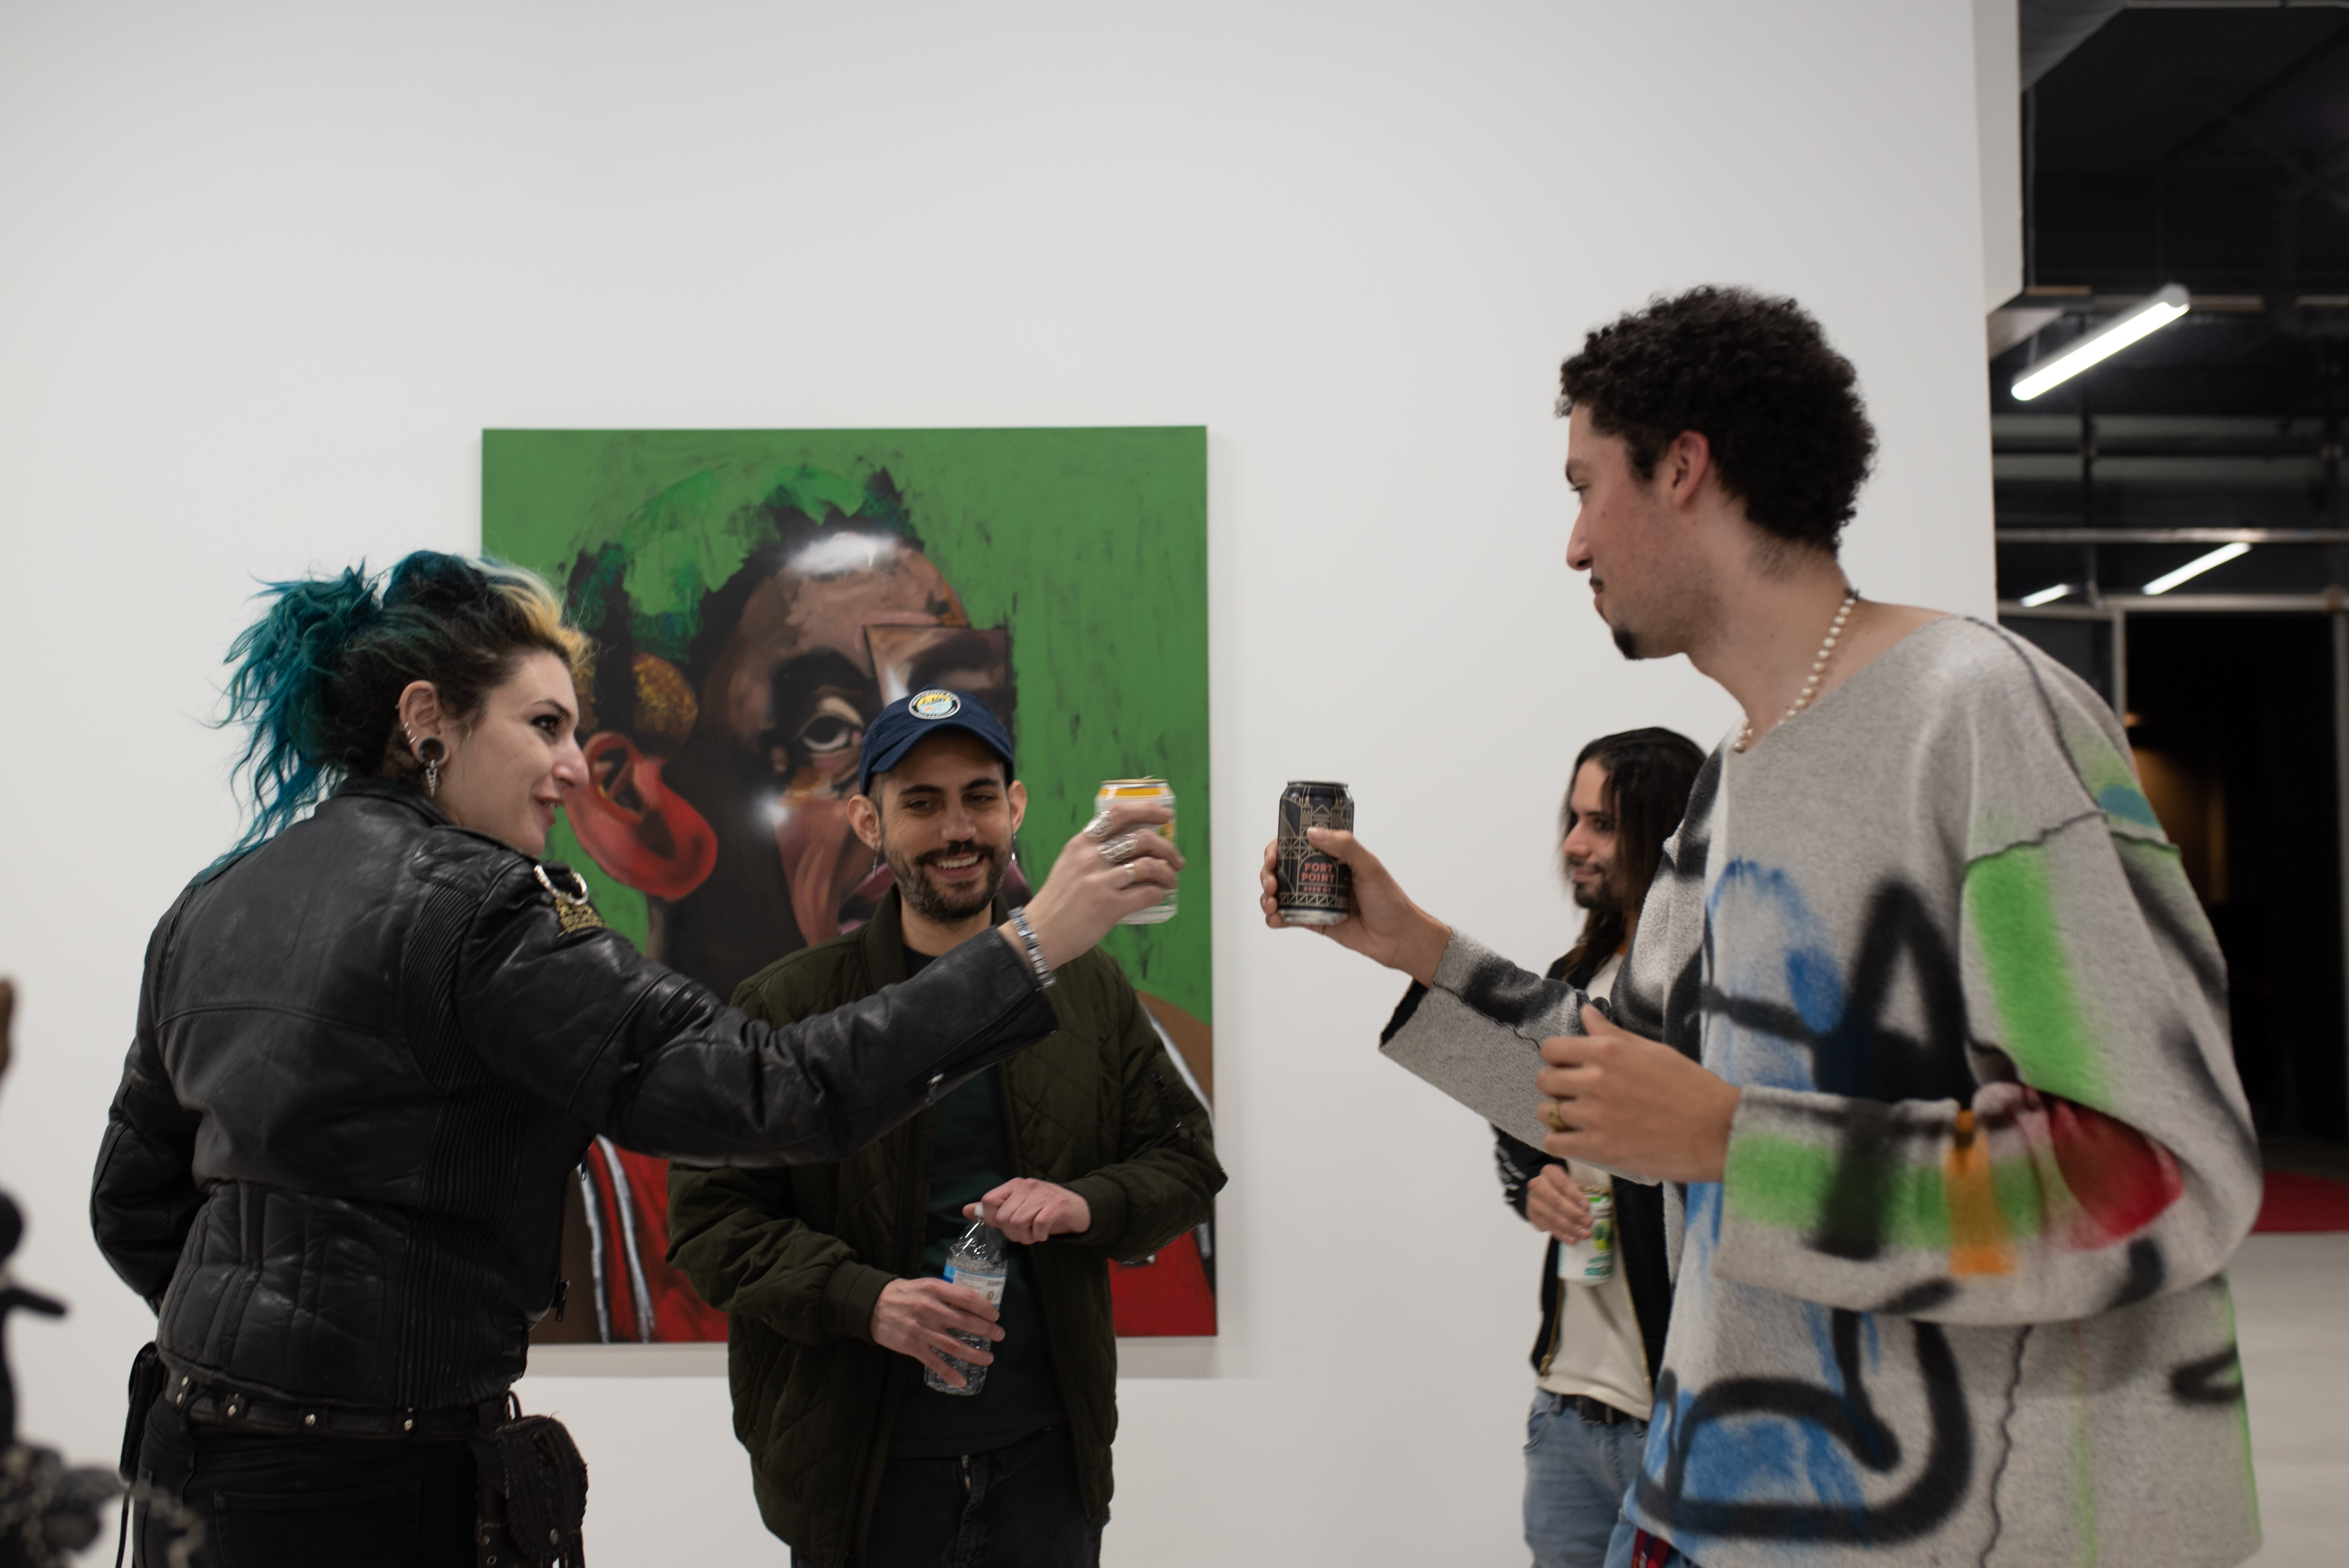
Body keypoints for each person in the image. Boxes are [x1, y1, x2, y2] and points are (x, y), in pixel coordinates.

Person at [1266, 288, 2262, 1568]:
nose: (1574, 545)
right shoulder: (1738, 775)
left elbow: (2155, 1166)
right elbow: (1616, 1102)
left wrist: (1738, 1139)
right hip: (1727, 1509)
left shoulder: (1977, 712)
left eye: (1584, 488)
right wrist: (1415, 949)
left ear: (1681, 468)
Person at [89, 553, 1179, 1568]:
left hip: (196, 1452)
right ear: (428, 721)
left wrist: (265, 1350)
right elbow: (773, 1089)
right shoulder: (479, 909)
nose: (572, 766)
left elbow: (133, 1203)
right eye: (544, 724)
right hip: (378, 1478)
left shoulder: (214, 900)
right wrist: (1035, 943)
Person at [667, 689, 1225, 1568]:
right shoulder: (785, 1004)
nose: (956, 827)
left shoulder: (1088, 989)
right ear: (867, 820)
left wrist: (1084, 1203)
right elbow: (713, 1226)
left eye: (977, 795)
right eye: (920, 802)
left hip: (1049, 1467)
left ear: (1016, 807)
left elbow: (1187, 1166)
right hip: (857, 1475)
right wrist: (867, 1299)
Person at [1493, 730, 1703, 1568]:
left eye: (1602, 824)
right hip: (1566, 1410)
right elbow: (1518, 1125)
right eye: (1573, 818)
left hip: (1674, 1421)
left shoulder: (1703, 993)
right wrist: (1532, 1185)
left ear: (1662, 834)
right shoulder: (1569, 974)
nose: (1573, 844)